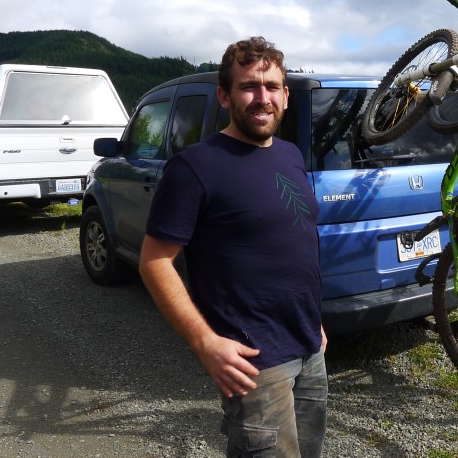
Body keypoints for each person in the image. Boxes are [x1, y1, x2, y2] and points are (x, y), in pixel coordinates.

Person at [139, 36, 327, 458]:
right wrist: (204, 342)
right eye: (249, 86)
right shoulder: (194, 168)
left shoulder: (290, 155)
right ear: (225, 96)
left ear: (285, 96)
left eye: (273, 87)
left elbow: (295, 240)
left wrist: (313, 321)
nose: (262, 98)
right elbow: (154, 262)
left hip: (310, 346)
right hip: (256, 362)